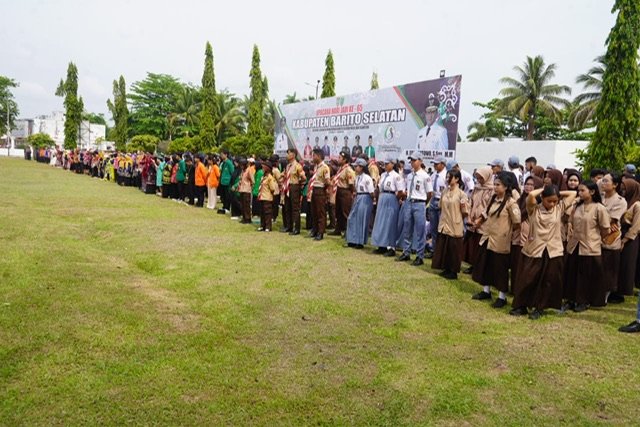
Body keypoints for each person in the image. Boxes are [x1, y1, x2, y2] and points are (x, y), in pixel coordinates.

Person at [510, 185, 577, 319]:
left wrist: (556, 192)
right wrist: (545, 188)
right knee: (527, 279)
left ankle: (539, 308)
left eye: (555, 201)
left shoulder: (559, 208)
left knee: (547, 281)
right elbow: (531, 196)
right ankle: (522, 306)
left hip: (553, 250)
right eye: (549, 201)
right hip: (534, 249)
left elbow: (573, 193)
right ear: (542, 198)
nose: (552, 204)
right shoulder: (533, 209)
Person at [471, 171, 521, 308]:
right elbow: (486, 213)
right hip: (488, 236)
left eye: (498, 185)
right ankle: (486, 291)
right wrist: (479, 221)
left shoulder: (511, 203)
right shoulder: (493, 198)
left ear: (506, 187)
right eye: (494, 184)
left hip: (501, 240)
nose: (495, 187)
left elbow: (517, 222)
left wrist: (506, 232)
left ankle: (501, 297)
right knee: (486, 264)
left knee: (500, 268)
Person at [563, 180, 611, 312]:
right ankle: (571, 299)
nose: (580, 193)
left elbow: (606, 229)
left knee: (586, 276)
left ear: (592, 192)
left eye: (582, 190)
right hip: (575, 245)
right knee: (572, 273)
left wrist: (596, 238)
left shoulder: (599, 208)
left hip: (590, 246)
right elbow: (571, 222)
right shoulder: (577, 207)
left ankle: (584, 300)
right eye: (579, 190)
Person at [396, 152, 433, 266]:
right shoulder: (410, 175)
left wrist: (423, 203)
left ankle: (419, 256)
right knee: (407, 228)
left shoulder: (425, 176)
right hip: (409, 201)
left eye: (414, 160)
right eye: (411, 160)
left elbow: (430, 193)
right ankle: (406, 252)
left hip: (419, 203)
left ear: (420, 161)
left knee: (420, 231)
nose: (412, 162)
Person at [432, 169, 469, 279]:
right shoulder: (444, 192)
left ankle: (453, 271)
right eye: (447, 177)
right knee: (444, 246)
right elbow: (440, 206)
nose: (448, 179)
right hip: (444, 223)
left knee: (454, 248)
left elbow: (465, 211)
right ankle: (446, 268)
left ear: (457, 179)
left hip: (455, 224)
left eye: (450, 177)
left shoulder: (462, 194)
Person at [601, 172, 627, 303]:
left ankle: (605, 296)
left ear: (615, 185)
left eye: (606, 181)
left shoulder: (620, 201)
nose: (603, 183)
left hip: (610, 240)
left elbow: (611, 219)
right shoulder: (600, 197)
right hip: (596, 239)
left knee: (608, 271)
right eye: (602, 181)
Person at [463, 167, 495, 274]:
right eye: (478, 178)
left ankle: (479, 267)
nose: (479, 180)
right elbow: (470, 201)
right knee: (473, 245)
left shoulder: (492, 190)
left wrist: (481, 219)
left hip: (484, 222)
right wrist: (469, 215)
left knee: (481, 245)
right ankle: (472, 265)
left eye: (481, 178)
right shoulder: (477, 188)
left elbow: (489, 207)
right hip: (472, 221)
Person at [371, 159, 404, 256]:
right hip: (382, 197)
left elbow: (400, 191)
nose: (385, 165)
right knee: (381, 221)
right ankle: (382, 245)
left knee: (390, 222)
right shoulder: (383, 175)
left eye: (387, 163)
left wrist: (395, 199)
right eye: (384, 164)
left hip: (391, 197)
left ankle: (391, 247)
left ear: (393, 164)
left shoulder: (396, 176)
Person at [616, 177, 640, 301]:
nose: (623, 191)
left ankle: (624, 291)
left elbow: (636, 226)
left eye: (625, 189)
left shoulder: (637, 205)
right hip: (621, 234)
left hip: (630, 239)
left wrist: (625, 240)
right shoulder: (625, 202)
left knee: (627, 264)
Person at [346, 158, 375, 248]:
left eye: (356, 166)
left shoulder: (367, 178)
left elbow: (371, 192)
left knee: (362, 219)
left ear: (361, 167)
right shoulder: (357, 177)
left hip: (365, 197)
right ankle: (352, 239)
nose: (355, 168)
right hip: (358, 196)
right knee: (352, 218)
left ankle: (360, 241)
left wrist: (372, 200)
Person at [329, 151, 355, 237]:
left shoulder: (348, 170)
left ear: (345, 160)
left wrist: (351, 193)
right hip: (339, 191)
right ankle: (338, 229)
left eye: (340, 158)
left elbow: (351, 184)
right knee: (338, 212)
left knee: (345, 212)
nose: (338, 159)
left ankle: (348, 231)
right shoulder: (341, 169)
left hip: (345, 192)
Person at [307, 149, 331, 240]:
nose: (313, 157)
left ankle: (320, 232)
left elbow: (327, 181)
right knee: (314, 212)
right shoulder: (316, 167)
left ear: (319, 156)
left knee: (320, 212)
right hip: (314, 190)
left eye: (314, 156)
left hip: (320, 190)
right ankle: (315, 230)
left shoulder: (325, 167)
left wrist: (324, 191)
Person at [281, 148, 306, 235]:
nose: (287, 155)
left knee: (295, 208)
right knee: (287, 207)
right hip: (287, 187)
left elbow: (303, 177)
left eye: (289, 153)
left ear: (293, 155)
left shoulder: (297, 166)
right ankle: (289, 226)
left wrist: (299, 184)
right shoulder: (288, 166)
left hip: (294, 187)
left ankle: (296, 228)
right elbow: (284, 175)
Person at [427, 155, 447, 256]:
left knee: (441, 228)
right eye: (434, 163)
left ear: (443, 164)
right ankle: (434, 250)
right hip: (433, 200)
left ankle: (440, 251)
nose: (434, 165)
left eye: (437, 164)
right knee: (433, 227)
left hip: (442, 201)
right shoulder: (433, 175)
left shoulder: (446, 176)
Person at [257, 161, 278, 232]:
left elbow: (272, 188)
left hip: (267, 197)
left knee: (267, 213)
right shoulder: (263, 176)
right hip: (262, 197)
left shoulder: (270, 177)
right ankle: (262, 225)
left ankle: (268, 226)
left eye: (264, 166)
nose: (262, 168)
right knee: (262, 212)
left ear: (268, 168)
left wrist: (270, 194)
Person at [217, 150, 234, 214]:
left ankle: (227, 207)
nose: (221, 156)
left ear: (226, 155)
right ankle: (224, 206)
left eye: (222, 154)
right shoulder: (223, 162)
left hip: (227, 182)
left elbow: (232, 172)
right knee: (223, 196)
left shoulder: (229, 163)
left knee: (227, 196)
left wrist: (230, 181)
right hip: (222, 181)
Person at [238, 158, 255, 224]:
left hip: (247, 190)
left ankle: (248, 218)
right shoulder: (243, 171)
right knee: (243, 205)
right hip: (242, 189)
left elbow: (253, 180)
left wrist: (250, 186)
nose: (241, 166)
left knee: (246, 205)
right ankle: (244, 217)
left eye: (242, 165)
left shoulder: (249, 170)